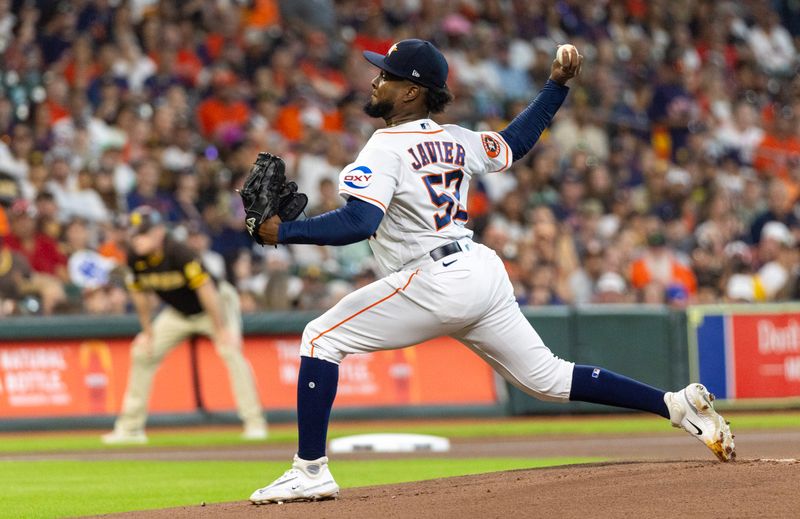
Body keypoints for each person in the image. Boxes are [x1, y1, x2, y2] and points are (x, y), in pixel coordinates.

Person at [247, 40, 735, 504]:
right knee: (548, 379)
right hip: (478, 271)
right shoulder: (456, 140)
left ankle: (310, 471)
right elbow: (514, 143)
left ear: (413, 91)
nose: (376, 80)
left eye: (388, 75)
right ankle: (675, 405)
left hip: (434, 278)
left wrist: (282, 234)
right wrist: (556, 86)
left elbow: (359, 221)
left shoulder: (383, 147)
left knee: (319, 337)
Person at [101, 207, 267, 444]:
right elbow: (139, 296)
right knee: (141, 352)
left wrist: (222, 329)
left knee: (230, 351)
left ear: (159, 232)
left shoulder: (179, 251)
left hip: (215, 305)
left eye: (143, 234)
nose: (137, 239)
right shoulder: (135, 257)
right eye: (134, 234)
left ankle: (254, 422)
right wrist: (147, 332)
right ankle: (130, 429)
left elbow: (206, 290)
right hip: (179, 312)